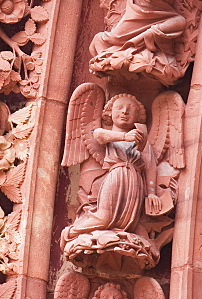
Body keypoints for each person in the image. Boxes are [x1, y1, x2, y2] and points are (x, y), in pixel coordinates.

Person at [66, 94, 159, 241]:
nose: (124, 112)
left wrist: (152, 193)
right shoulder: (104, 132)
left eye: (131, 109)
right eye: (119, 108)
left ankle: (117, 237)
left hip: (135, 180)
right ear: (109, 112)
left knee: (130, 222)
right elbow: (99, 135)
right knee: (105, 216)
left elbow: (150, 166)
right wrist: (124, 137)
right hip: (116, 174)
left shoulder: (142, 141)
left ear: (138, 116)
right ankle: (71, 233)